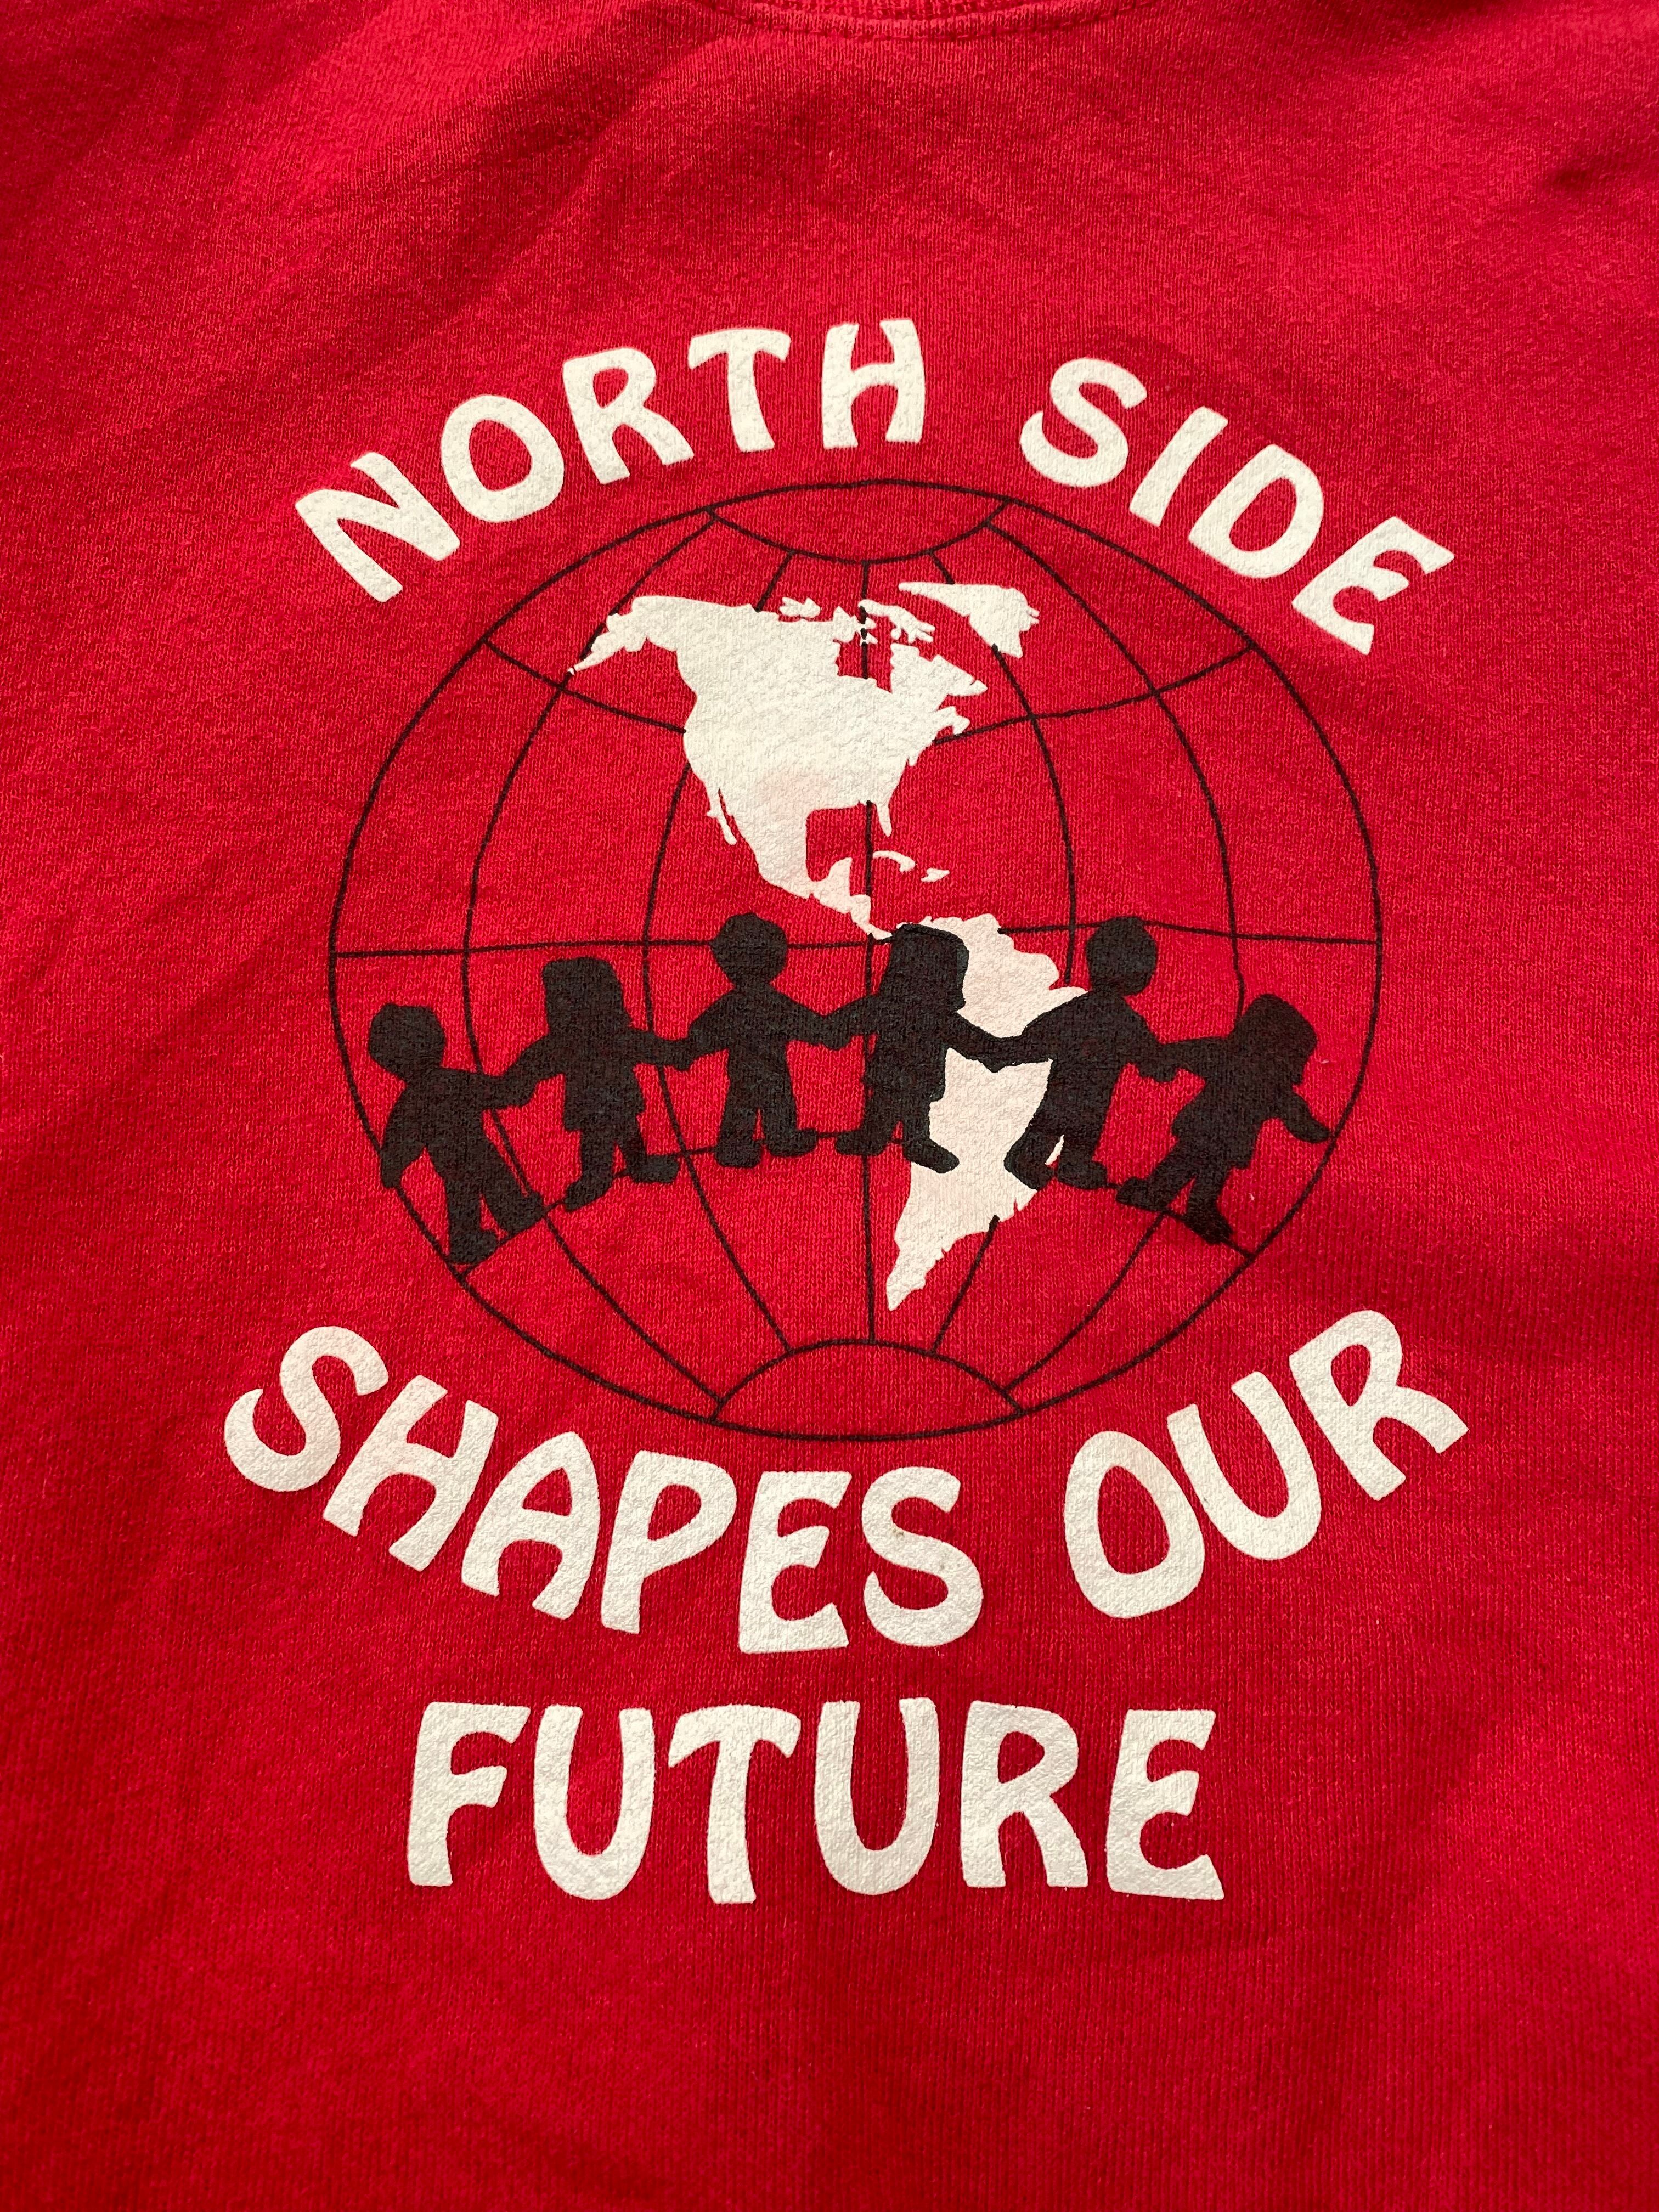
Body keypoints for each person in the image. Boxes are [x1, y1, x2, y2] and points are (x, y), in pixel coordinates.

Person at [1116, 992, 1332, 1245]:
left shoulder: (1228, 1055)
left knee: (1184, 1164)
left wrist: (1159, 1058)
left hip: (1202, 1128)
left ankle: (1157, 1195)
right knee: (1209, 1173)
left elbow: (1187, 1053)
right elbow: (1297, 1116)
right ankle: (1192, 1208)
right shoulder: (1274, 1083)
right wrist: (1316, 1133)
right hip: (1229, 1140)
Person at [994, 916, 1173, 1190]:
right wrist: (1162, 1068)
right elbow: (1151, 1058)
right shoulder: (1127, 1021)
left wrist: (1010, 1051)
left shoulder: (1078, 1009)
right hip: (1093, 1098)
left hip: (1062, 1092)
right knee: (1082, 1132)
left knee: (1049, 1125)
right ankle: (1069, 1165)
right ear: (1139, 975)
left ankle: (1031, 1160)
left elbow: (1038, 1035)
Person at [368, 1002, 544, 1267]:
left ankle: (468, 1241)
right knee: (496, 1179)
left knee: (463, 1197)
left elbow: (399, 1140)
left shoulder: (409, 1103)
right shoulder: (452, 1081)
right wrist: (514, 1093)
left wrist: (391, 1168)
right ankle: (512, 1216)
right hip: (477, 1148)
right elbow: (491, 1091)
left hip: (450, 1162)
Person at [511, 957, 691, 1211]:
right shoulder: (598, 1039)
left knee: (621, 1133)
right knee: (605, 1138)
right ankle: (603, 1176)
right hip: (605, 1104)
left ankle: (628, 1168)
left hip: (599, 1103)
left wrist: (517, 1083)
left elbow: (534, 1062)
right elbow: (650, 1047)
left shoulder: (574, 1043)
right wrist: (677, 1054)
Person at [828, 923, 1005, 1173]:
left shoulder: (893, 1007)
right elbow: (974, 1041)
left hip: (894, 1074)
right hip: (916, 1078)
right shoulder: (934, 1015)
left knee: (892, 1108)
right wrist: (997, 1052)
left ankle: (888, 1140)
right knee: (903, 1110)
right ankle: (906, 1142)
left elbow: (850, 1019)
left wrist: (831, 1030)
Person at [689, 913, 831, 1167]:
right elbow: (808, 1024)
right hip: (774, 1073)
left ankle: (735, 1148)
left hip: (743, 1073)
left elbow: (703, 1030)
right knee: (778, 1105)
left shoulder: (731, 1004)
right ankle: (782, 1139)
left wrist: (691, 1048)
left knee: (740, 1108)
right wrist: (828, 1032)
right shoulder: (776, 1004)